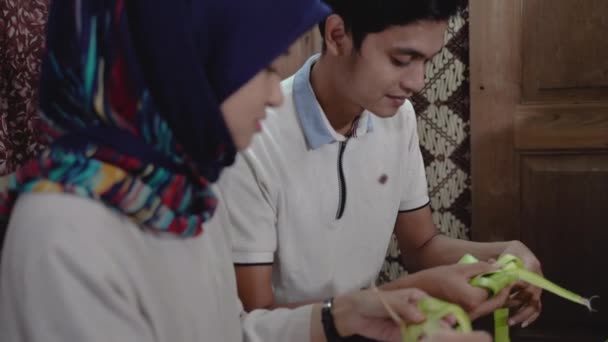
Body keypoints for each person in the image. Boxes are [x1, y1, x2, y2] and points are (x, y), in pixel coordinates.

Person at [0, 0, 496, 341]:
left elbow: (227, 332)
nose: (272, 92)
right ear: (184, 65)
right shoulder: (66, 236)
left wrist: (343, 316)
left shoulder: (181, 195)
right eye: (260, 69)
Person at [214, 0, 543, 332]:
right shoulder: (252, 137)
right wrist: (408, 294)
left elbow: (422, 246)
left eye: (427, 61)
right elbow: (258, 316)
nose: (417, 82)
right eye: (402, 60)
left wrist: (503, 256)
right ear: (337, 35)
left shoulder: (398, 119)